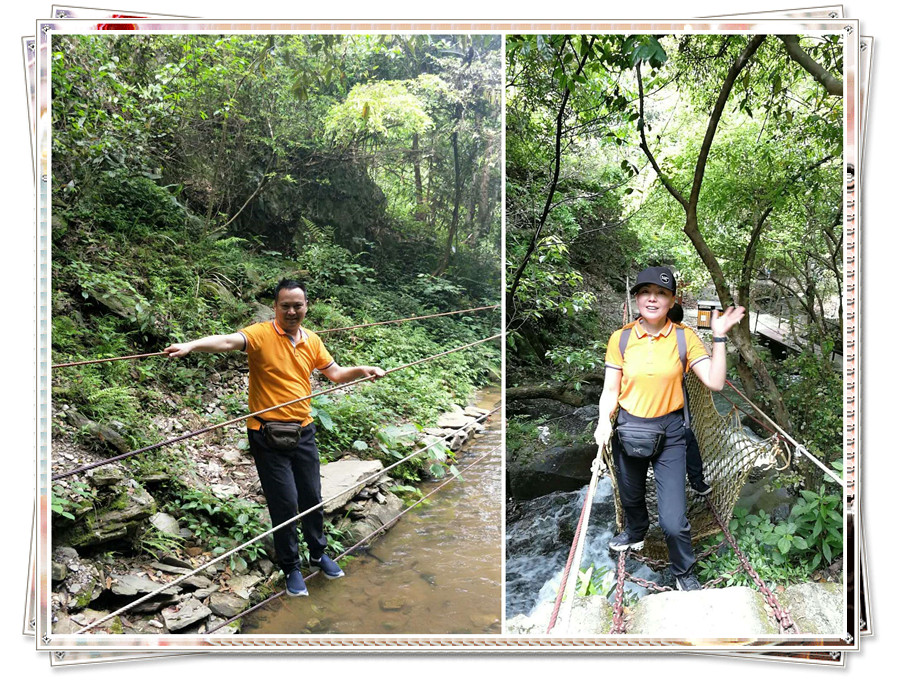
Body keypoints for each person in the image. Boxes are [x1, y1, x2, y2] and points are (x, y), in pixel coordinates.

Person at [164, 279, 386, 597]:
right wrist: (191, 346)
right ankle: (291, 566)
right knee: (284, 501)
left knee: (312, 496)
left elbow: (335, 373)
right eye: (285, 306)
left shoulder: (312, 340)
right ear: (276, 307)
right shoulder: (260, 334)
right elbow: (227, 341)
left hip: (303, 429)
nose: (291, 311)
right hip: (266, 433)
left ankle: (318, 553)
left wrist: (362, 369)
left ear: (306, 306)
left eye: (297, 305)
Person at [593, 266, 744, 591]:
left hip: (671, 434)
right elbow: (610, 390)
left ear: (672, 300)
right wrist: (604, 421)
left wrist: (719, 336)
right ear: (636, 299)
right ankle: (635, 531)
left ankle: (683, 573)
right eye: (645, 292)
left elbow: (715, 382)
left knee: (674, 522)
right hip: (629, 429)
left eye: (661, 293)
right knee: (631, 498)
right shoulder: (620, 339)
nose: (652, 298)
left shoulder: (684, 337)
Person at [665, 302, 711, 497]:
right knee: (685, 436)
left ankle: (695, 480)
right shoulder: (641, 331)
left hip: (676, 393)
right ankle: (696, 480)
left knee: (685, 435)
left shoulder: (683, 334)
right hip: (668, 396)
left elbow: (703, 356)